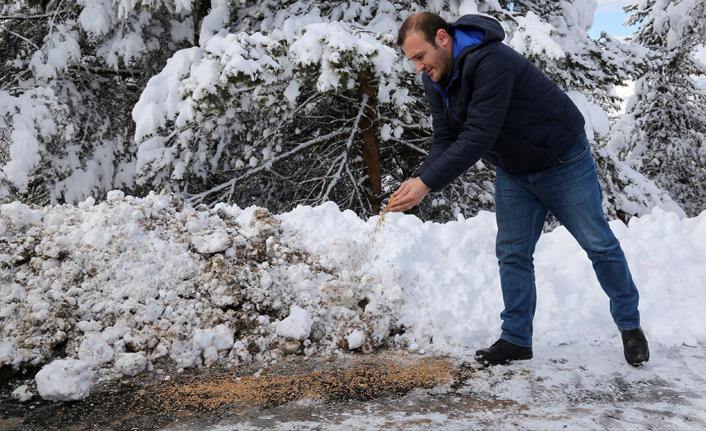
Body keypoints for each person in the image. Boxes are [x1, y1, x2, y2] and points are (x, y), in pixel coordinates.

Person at [389, 12, 649, 367]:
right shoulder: (435, 77)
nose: (418, 66)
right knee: (512, 253)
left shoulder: (491, 61)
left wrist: (427, 183)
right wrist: (420, 179)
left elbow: (479, 135)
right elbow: (445, 136)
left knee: (598, 244)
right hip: (513, 170)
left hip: (561, 160)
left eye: (420, 56)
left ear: (442, 39)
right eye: (412, 60)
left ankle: (630, 327)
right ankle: (516, 339)